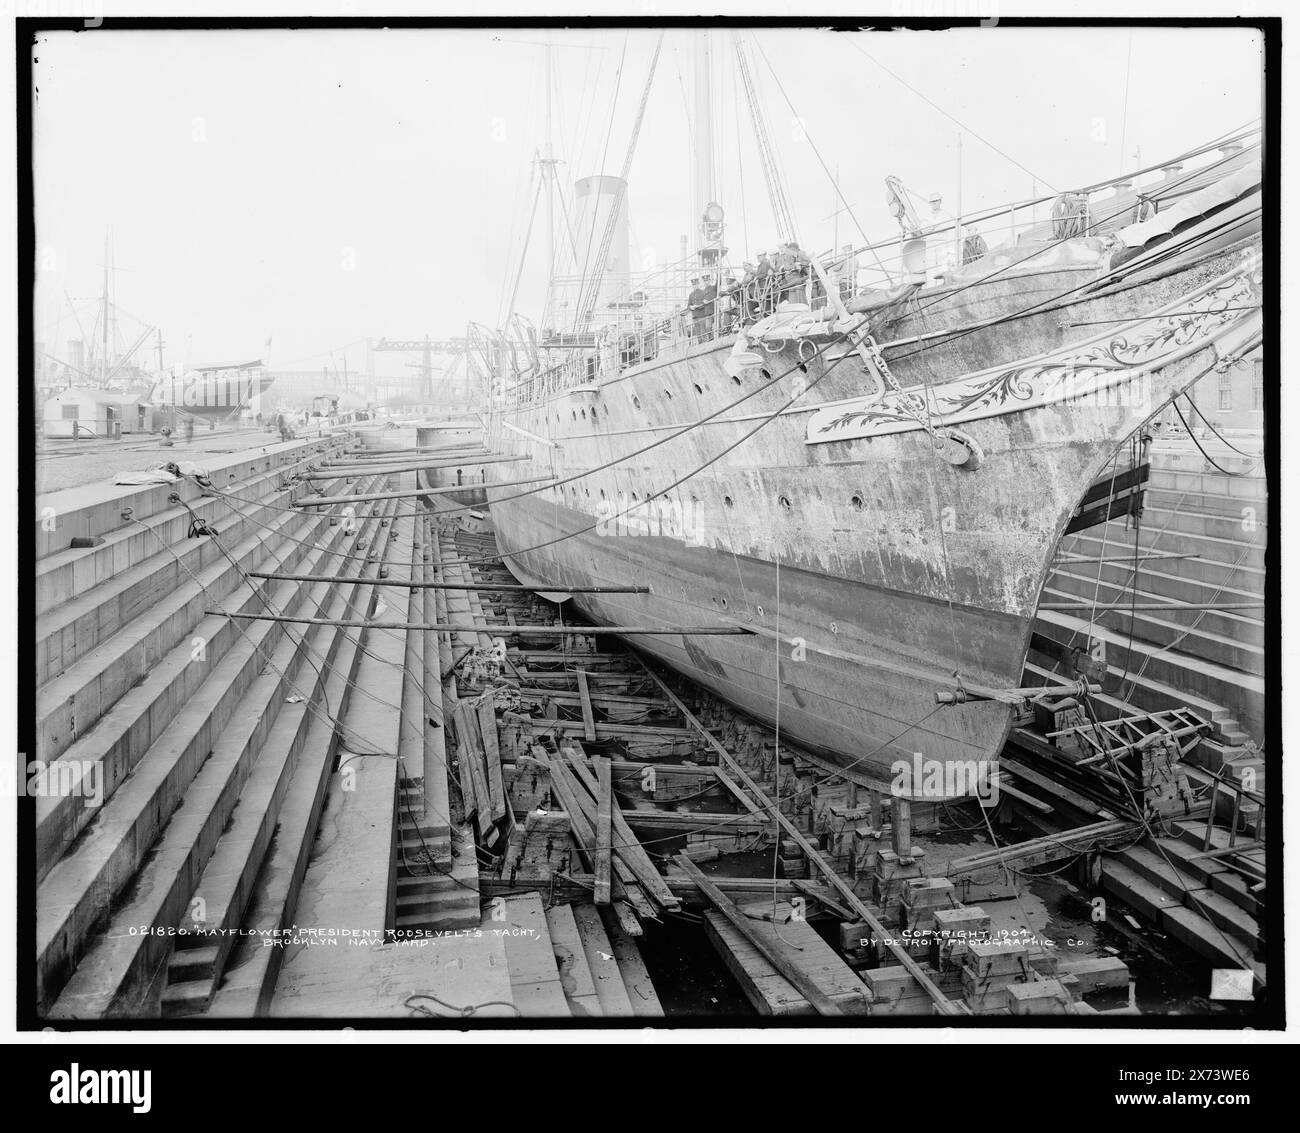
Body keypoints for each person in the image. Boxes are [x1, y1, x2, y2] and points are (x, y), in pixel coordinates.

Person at [686, 276, 705, 341]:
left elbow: (704, 303)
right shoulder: (691, 294)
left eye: (696, 284)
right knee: (697, 332)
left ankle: (704, 343)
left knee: (703, 330)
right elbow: (688, 305)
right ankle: (700, 342)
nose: (695, 286)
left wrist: (697, 306)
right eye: (693, 285)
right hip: (694, 316)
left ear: (698, 284)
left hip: (702, 315)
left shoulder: (703, 292)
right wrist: (691, 307)